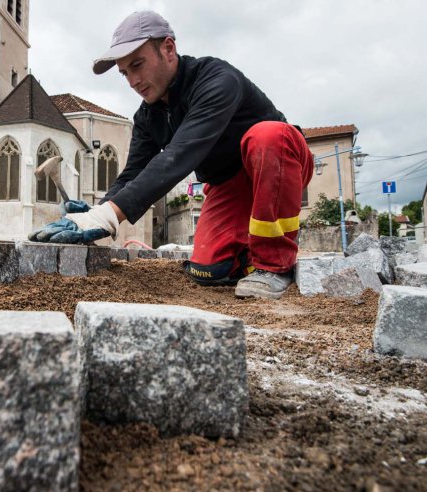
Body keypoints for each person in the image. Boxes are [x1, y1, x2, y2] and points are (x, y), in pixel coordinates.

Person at [29, 10, 313, 300]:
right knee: (209, 269)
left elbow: (180, 155)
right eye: (125, 72)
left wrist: (107, 215)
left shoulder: (216, 79)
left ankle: (275, 265)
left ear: (168, 48)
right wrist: (95, 213)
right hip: (228, 184)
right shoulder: (147, 117)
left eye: (138, 64)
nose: (133, 81)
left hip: (278, 163)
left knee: (268, 136)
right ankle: (250, 256)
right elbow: (133, 174)